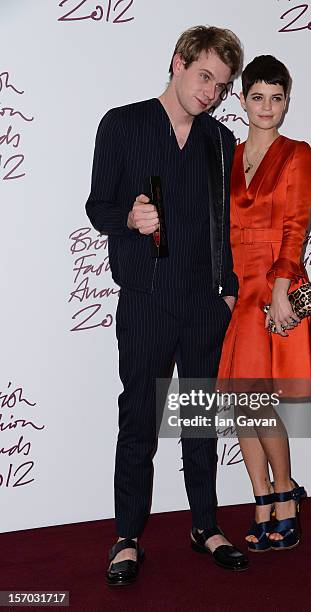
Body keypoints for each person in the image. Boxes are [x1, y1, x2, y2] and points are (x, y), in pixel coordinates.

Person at [86, 26, 249, 585]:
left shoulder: (220, 141)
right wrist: (129, 220)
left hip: (205, 304)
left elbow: (226, 225)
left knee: (201, 419)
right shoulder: (122, 124)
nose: (211, 93)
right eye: (204, 76)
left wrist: (227, 288)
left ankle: (204, 524)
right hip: (145, 302)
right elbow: (97, 205)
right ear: (177, 62)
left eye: (222, 86)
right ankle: (127, 536)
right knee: (139, 420)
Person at [218, 55, 311, 552]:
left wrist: (283, 290)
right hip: (238, 290)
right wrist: (225, 286)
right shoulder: (228, 155)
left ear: (287, 102)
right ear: (242, 99)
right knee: (245, 404)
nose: (267, 106)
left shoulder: (297, 154)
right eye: (257, 96)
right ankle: (261, 497)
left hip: (276, 286)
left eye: (277, 97)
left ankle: (285, 497)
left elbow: (296, 225)